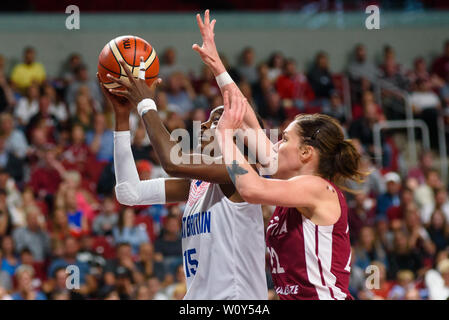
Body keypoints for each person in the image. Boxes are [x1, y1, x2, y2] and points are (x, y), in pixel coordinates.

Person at [100, 10, 267, 300]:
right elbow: (129, 192)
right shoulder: (200, 184)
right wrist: (121, 117)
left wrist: (145, 104)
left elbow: (173, 161)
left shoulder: (239, 172)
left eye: (217, 119)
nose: (204, 125)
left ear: (239, 136)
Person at [215, 94, 364, 298]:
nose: (275, 146)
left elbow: (250, 189)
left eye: (284, 139)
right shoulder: (292, 192)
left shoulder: (317, 188)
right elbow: (250, 127)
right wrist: (217, 66)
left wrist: (223, 135)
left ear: (305, 153)